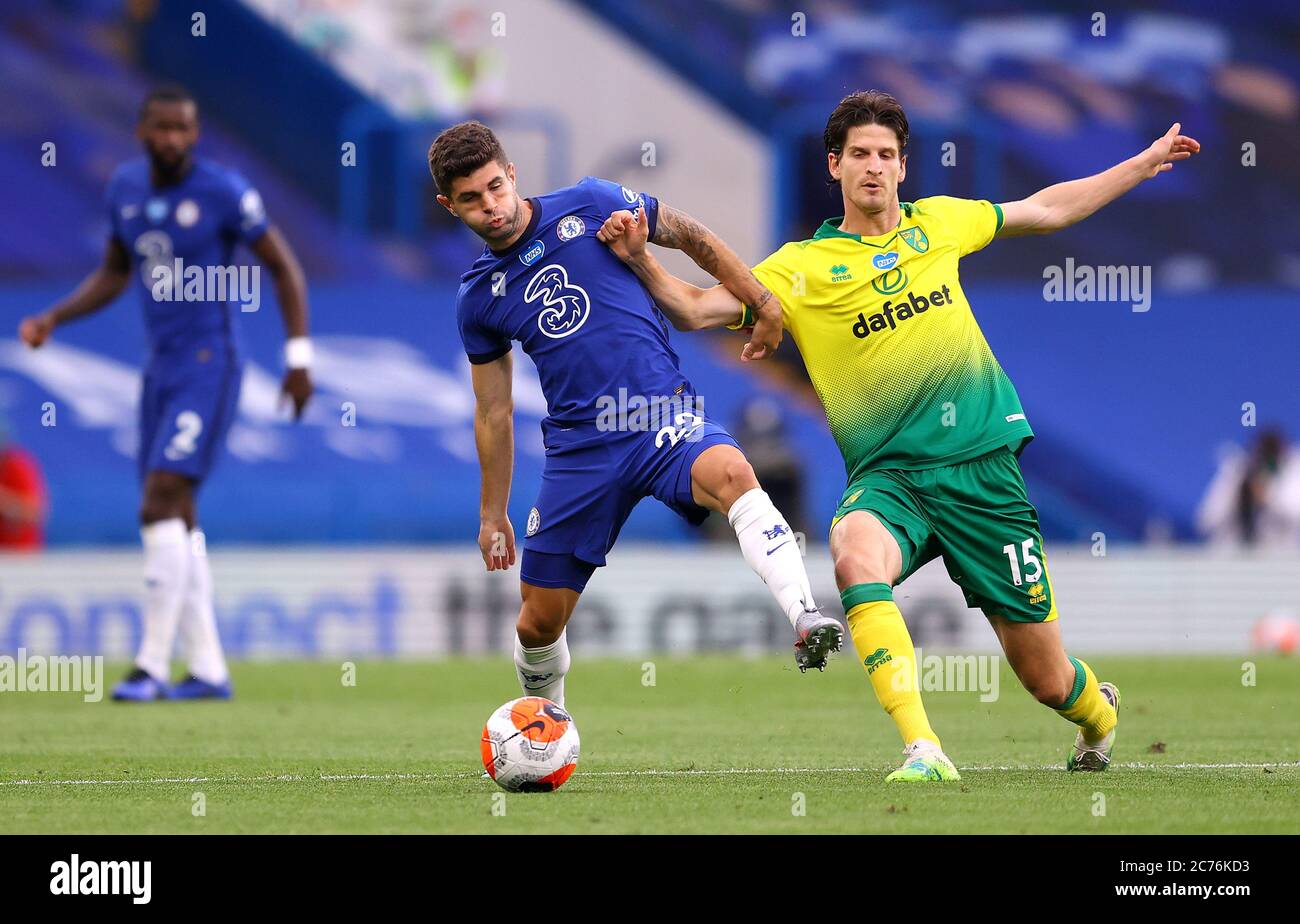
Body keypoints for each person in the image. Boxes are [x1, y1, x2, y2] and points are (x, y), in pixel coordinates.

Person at [596, 89, 1201, 779]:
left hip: (981, 473)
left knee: (1046, 678)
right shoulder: (800, 267)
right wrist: (643, 260)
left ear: (904, 167)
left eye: (886, 154)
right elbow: (697, 310)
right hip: (892, 481)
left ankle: (1099, 714)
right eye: (860, 154)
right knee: (853, 554)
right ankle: (924, 749)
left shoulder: (940, 224)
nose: (874, 167)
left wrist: (1140, 162)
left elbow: (1047, 207)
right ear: (835, 165)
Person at [429, 120, 843, 707]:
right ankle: (549, 724)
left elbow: (690, 234)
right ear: (450, 205)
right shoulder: (479, 297)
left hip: (657, 414)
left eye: (496, 187)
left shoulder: (594, 201)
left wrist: (760, 300)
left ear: (512, 172)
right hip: (580, 449)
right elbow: (492, 411)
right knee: (536, 624)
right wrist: (492, 514)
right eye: (471, 200)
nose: (490, 207)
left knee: (734, 472)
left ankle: (804, 616)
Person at [18, 85, 314, 701]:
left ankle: (150, 666)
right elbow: (116, 271)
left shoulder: (224, 191)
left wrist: (297, 357)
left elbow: (284, 267)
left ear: (195, 134)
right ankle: (207, 669)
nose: (173, 139)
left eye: (184, 128)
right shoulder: (125, 188)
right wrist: (54, 317)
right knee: (177, 515)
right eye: (162, 128)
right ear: (141, 131)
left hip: (211, 362)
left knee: (160, 498)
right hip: (160, 369)